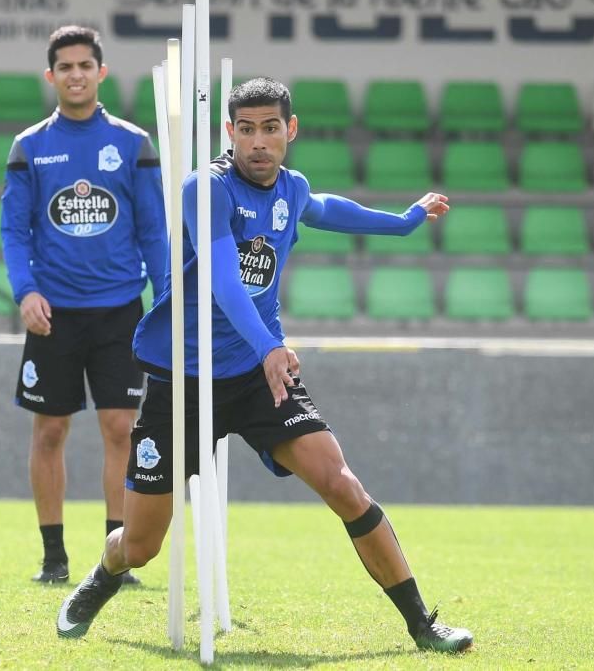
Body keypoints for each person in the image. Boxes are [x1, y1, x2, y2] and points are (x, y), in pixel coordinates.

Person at [56, 77, 473, 653]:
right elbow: (226, 282)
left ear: (290, 130)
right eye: (246, 129)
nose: (258, 141)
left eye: (270, 128)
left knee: (342, 483)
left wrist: (403, 220)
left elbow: (327, 208)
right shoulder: (207, 188)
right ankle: (104, 573)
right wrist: (269, 347)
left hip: (258, 379)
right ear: (230, 132)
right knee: (142, 546)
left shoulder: (292, 189)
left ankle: (423, 625)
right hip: (184, 380)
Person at [1, 25, 167, 586]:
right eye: (65, 66)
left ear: (102, 72)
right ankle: (53, 558)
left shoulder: (132, 144)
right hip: (55, 315)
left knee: (121, 428)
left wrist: (164, 295)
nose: (76, 74)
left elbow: (154, 231)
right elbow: (14, 231)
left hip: (121, 310)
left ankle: (113, 559)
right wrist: (25, 291)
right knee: (49, 432)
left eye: (85, 65)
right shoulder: (29, 147)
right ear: (51, 77)